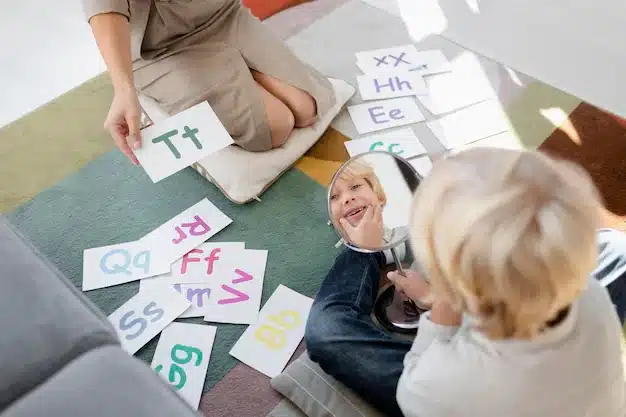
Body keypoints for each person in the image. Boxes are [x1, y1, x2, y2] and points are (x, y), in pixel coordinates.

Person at [306, 148, 626, 417]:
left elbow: (413, 388)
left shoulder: (441, 385)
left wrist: (439, 316)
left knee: (328, 330)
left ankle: (363, 252)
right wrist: (439, 296)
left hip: (456, 398)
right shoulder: (589, 295)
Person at [82, 0, 336, 165]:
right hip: (159, 47)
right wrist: (123, 89)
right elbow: (103, 8)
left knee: (307, 108)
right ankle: (231, 71)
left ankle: (238, 68)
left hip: (222, 14)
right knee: (274, 127)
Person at [329, 158, 409, 250]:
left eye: (355, 186)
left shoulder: (409, 236)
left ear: (378, 196)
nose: (347, 198)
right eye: (334, 196)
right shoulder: (343, 261)